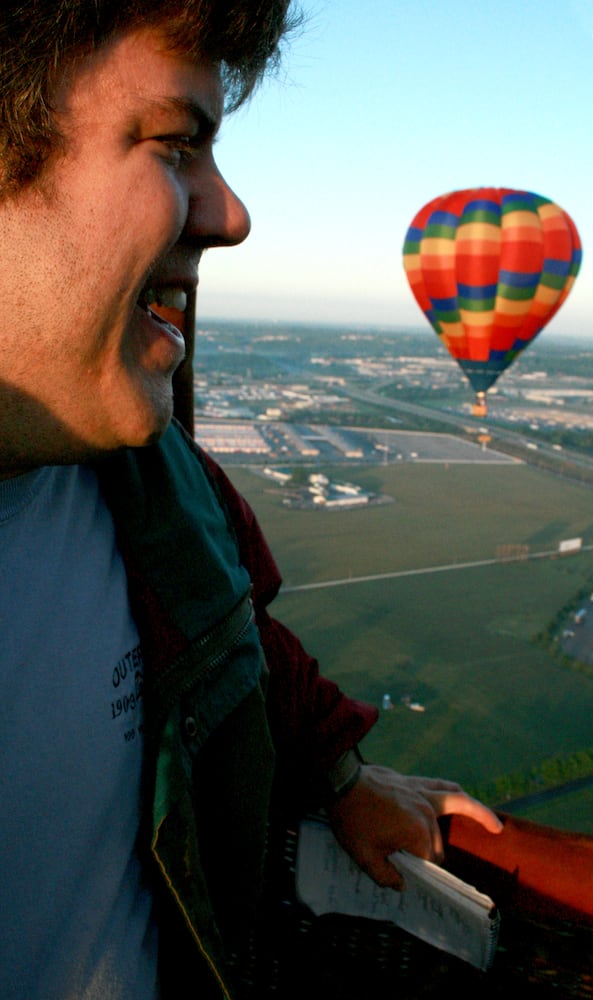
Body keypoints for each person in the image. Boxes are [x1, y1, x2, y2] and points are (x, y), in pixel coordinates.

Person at [0, 2, 502, 997]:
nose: (231, 214)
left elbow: (237, 634)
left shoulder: (159, 484)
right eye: (174, 141)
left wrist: (337, 773)